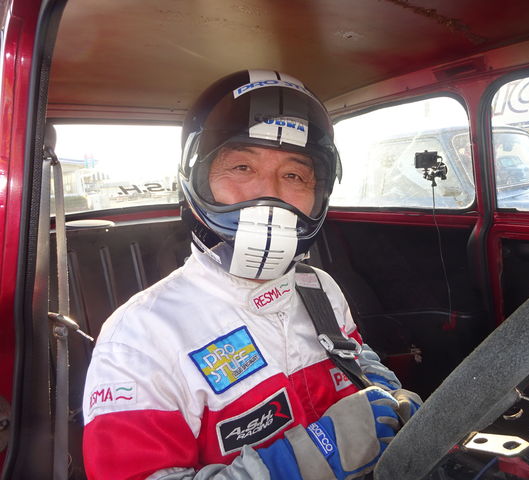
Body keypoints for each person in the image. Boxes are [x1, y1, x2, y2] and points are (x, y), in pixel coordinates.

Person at [82, 70, 421, 480]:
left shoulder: (319, 287)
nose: (270, 193)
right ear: (198, 180)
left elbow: (356, 359)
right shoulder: (138, 337)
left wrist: (387, 395)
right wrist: (310, 459)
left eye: (294, 175)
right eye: (242, 167)